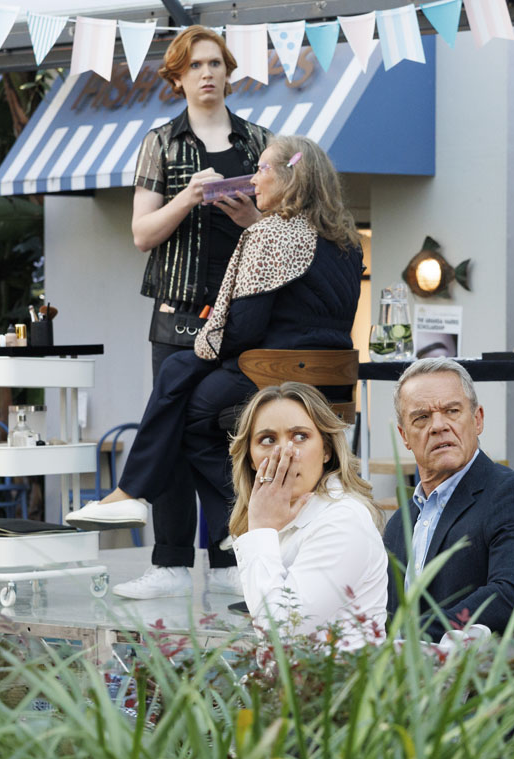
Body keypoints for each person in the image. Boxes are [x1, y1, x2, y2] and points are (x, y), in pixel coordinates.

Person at [67, 135, 364, 600]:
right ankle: (180, 510)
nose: (254, 179)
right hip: (327, 383)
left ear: (291, 177)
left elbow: (243, 330)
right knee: (179, 376)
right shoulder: (347, 244)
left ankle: (186, 507)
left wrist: (206, 345)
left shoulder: (272, 234)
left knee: (182, 405)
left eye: (263, 169)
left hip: (273, 378)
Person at [130, 25, 271, 595]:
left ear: (229, 73)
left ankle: (231, 560)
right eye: (194, 65)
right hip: (178, 313)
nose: (206, 73)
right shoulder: (162, 143)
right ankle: (169, 563)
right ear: (178, 78)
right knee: (168, 430)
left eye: (215, 63)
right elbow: (141, 233)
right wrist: (188, 197)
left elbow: (286, 231)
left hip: (244, 317)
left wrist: (252, 219)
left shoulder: (259, 142)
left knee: (232, 430)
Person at [383, 358, 514, 638]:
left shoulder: (513, 494)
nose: (438, 426)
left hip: (482, 666)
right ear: (404, 436)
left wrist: (415, 639)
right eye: (422, 417)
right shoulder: (398, 524)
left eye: (452, 411)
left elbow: (513, 598)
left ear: (477, 420)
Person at [224, 382, 386, 649]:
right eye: (268, 440)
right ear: (251, 459)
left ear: (326, 450)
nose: (285, 452)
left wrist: (261, 530)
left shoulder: (343, 520)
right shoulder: (270, 520)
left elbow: (282, 632)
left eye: (300, 436)